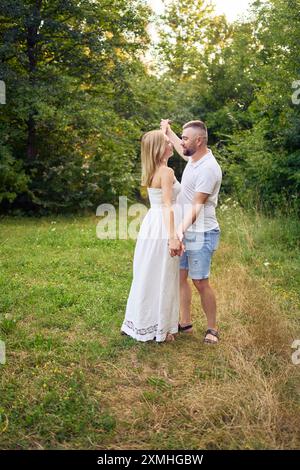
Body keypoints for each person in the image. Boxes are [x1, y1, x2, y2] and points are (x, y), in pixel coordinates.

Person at [161, 119, 222, 344]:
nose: (182, 142)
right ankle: (185, 323)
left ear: (199, 140)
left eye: (186, 138)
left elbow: (197, 207)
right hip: (185, 229)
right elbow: (180, 147)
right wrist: (168, 130)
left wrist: (178, 232)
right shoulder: (194, 157)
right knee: (180, 277)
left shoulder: (209, 168)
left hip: (202, 232)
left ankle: (212, 328)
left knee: (200, 281)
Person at [121, 130, 183, 342]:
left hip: (151, 225)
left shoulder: (151, 171)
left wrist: (165, 128)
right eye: (167, 142)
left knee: (147, 273)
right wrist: (173, 237)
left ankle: (142, 321)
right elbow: (167, 205)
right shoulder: (166, 172)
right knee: (163, 275)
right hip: (163, 226)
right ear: (159, 149)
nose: (171, 145)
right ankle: (160, 329)